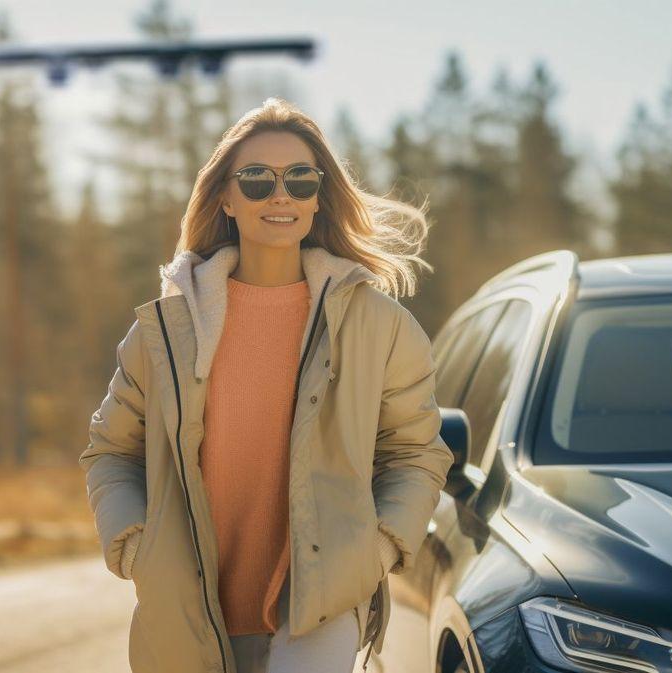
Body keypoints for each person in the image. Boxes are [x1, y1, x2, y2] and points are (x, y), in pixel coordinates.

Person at [79, 96, 454, 673]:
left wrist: (375, 551)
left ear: (318, 196)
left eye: (301, 179)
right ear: (225, 197)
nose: (281, 195)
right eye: (257, 180)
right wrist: (135, 548)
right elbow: (112, 449)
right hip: (189, 611)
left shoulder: (379, 326)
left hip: (320, 606)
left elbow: (415, 453)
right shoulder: (166, 329)